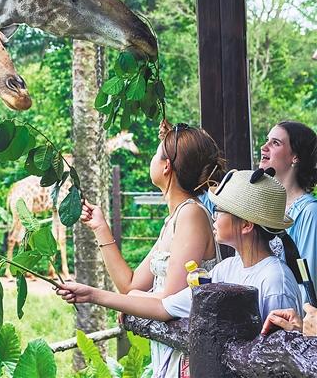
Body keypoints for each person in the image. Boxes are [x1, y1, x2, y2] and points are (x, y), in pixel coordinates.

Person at [58, 169, 303, 377]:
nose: (214, 217)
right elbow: (164, 307)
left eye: (221, 211)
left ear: (247, 225)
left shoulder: (275, 280)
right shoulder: (226, 270)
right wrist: (91, 295)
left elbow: (278, 356)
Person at [80, 122, 225, 377]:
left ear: (166, 166)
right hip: (169, 352)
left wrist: (129, 299)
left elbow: (167, 301)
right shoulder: (175, 218)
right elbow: (130, 283)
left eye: (156, 153)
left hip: (188, 361)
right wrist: (100, 227)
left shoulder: (191, 215)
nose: (152, 160)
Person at [260, 121, 317, 286]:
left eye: (275, 143)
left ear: (296, 157)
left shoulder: (310, 212)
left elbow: (308, 283)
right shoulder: (260, 206)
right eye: (267, 140)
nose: (264, 147)